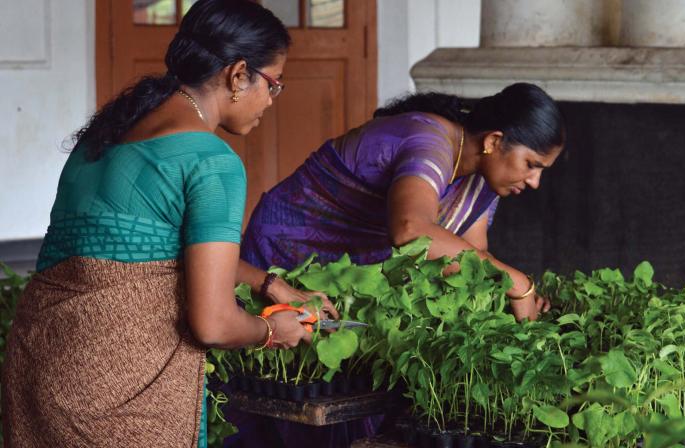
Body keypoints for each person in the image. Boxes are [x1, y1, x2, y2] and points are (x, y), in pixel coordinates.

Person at [0, 1, 323, 446]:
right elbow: (212, 324)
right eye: (273, 83)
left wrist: (267, 284)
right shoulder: (210, 163)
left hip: (40, 366)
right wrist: (272, 330)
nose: (271, 99)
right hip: (117, 398)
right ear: (237, 74)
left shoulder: (105, 135)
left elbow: (142, 246)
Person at [236, 83, 565, 446]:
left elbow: (472, 263)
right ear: (494, 141)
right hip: (287, 251)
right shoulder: (430, 140)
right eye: (531, 164)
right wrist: (517, 283)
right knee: (286, 385)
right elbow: (410, 229)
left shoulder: (483, 181)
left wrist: (512, 306)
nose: (534, 181)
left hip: (352, 277)